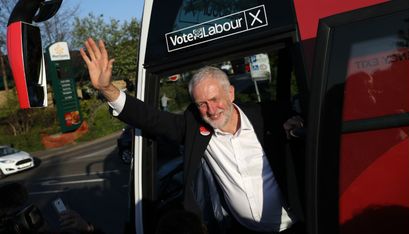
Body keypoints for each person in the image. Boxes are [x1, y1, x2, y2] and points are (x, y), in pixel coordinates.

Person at [80, 38, 304, 234]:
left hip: (295, 225)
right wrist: (107, 88)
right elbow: (150, 118)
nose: (211, 110)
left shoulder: (270, 116)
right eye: (202, 104)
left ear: (231, 93)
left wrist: (298, 126)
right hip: (242, 229)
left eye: (215, 99)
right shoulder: (195, 127)